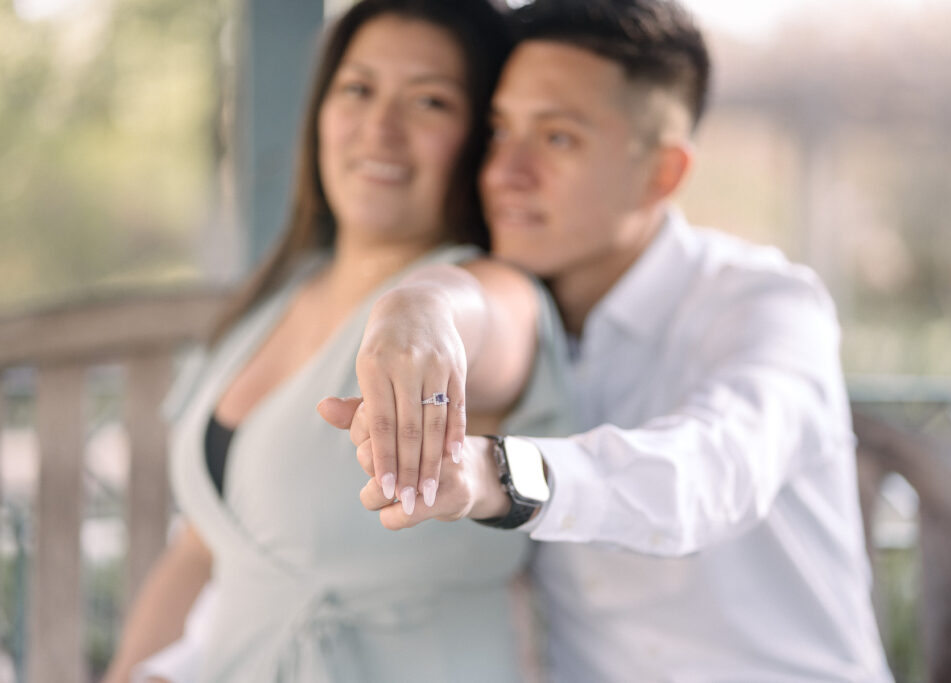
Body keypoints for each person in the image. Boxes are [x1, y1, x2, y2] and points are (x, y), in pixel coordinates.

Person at [322, 0, 894, 680]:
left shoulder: (767, 303)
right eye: (501, 131)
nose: (506, 172)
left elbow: (713, 468)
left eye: (558, 138)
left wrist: (502, 474)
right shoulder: (511, 323)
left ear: (663, 173)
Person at [102, 1, 575, 681]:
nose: (381, 128)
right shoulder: (271, 305)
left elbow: (477, 317)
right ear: (321, 110)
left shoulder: (493, 290)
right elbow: (199, 553)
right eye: (358, 89)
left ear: (478, 136)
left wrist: (420, 313)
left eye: (430, 102)